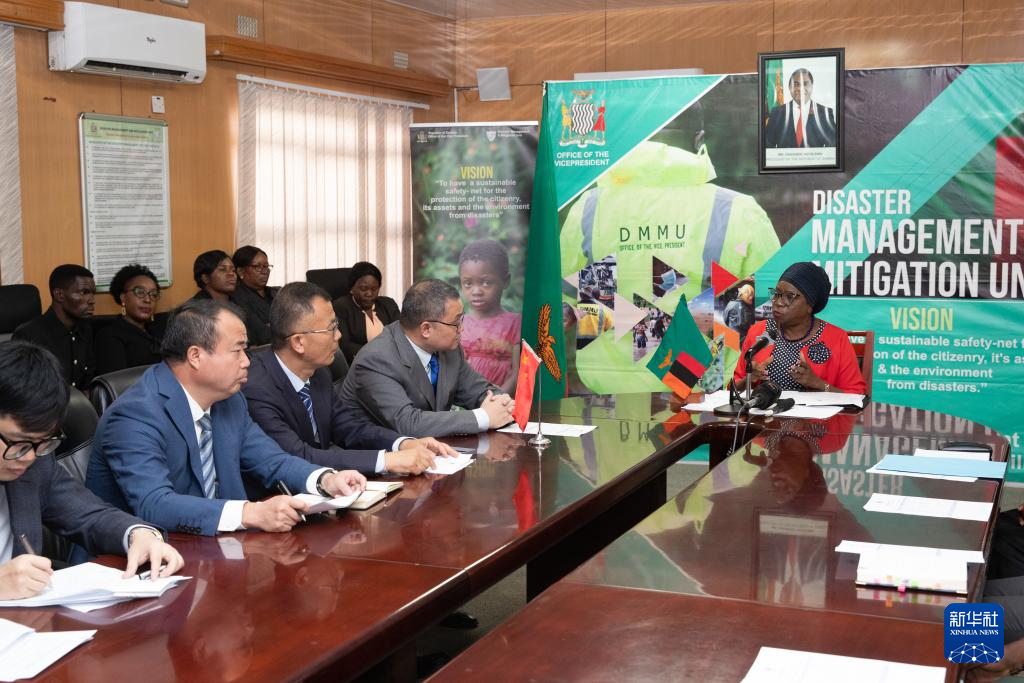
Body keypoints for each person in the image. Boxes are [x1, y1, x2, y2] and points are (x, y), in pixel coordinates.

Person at [86, 299, 367, 536]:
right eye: (237, 350)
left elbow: (271, 459)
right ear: (195, 356)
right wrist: (250, 513)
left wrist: (324, 479)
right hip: (137, 564)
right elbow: (154, 504)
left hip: (218, 548)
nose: (247, 361)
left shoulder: (229, 400)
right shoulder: (135, 415)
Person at [559, 104, 780, 393]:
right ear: (698, 139)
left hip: (604, 396)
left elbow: (563, 301)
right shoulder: (738, 210)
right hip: (704, 395)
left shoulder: (589, 207)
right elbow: (772, 306)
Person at [0, 342, 183, 597]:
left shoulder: (36, 463)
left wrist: (139, 534)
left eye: (41, 443)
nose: (29, 457)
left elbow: (90, 515)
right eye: (19, 443)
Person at [243, 281, 459, 477]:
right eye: (331, 328)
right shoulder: (256, 387)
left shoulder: (319, 372)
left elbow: (349, 426)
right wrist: (385, 461)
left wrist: (402, 443)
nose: (339, 335)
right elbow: (298, 456)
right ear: (298, 342)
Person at [339, 279, 515, 437]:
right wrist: (483, 417)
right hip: (375, 455)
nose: (462, 329)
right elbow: (407, 423)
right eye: (456, 322)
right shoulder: (376, 360)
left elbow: (479, 391)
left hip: (434, 451)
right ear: (426, 329)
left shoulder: (449, 350)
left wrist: (502, 403)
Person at [733, 262, 866, 395]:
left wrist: (817, 383)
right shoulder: (759, 331)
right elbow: (733, 389)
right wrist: (749, 379)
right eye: (777, 294)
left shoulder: (836, 338)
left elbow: (856, 395)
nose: (778, 302)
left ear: (810, 305)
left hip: (814, 410)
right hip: (764, 408)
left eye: (789, 296)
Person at [13, 264, 96, 391]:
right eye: (84, 292)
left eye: (93, 293)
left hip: (82, 403)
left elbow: (89, 380)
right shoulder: (28, 335)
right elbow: (24, 390)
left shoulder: (85, 330)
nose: (92, 300)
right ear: (59, 295)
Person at [458, 240, 521, 394]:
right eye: (468, 283)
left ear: (505, 281)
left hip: (503, 401)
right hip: (466, 403)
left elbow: (517, 374)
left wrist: (496, 400)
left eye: (486, 283)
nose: (476, 291)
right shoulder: (459, 324)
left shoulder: (515, 323)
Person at [95, 264, 163, 375]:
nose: (147, 299)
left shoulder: (158, 330)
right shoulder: (110, 336)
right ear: (123, 298)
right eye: (140, 292)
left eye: (153, 294)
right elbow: (117, 382)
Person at [332, 261, 401, 364]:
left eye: (374, 289)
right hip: (361, 363)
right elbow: (345, 345)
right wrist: (378, 355)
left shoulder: (388, 304)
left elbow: (401, 336)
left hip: (393, 361)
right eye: (364, 289)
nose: (369, 293)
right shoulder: (341, 307)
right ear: (351, 288)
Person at [764, 68, 837, 149]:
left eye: (805, 84)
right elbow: (767, 147)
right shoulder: (776, 113)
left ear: (812, 87)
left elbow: (833, 148)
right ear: (789, 87)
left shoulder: (825, 113)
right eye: (796, 84)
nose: (800, 88)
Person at [231, 246, 279, 347]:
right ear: (241, 271)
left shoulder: (276, 292)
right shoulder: (237, 296)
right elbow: (261, 334)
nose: (265, 271)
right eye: (258, 266)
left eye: (266, 266)